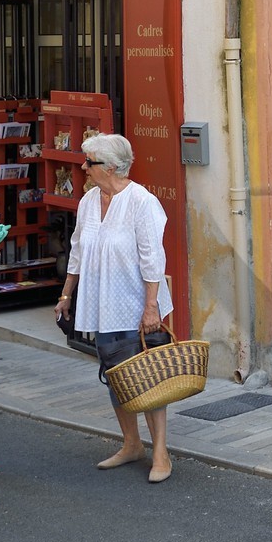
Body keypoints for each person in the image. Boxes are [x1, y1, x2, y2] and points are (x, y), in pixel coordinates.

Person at [52, 133, 176, 483]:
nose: (82, 167)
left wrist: (151, 307)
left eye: (87, 162)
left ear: (109, 167)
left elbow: (153, 258)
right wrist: (66, 294)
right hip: (103, 304)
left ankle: (162, 453)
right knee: (115, 376)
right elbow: (77, 250)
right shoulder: (90, 200)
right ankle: (132, 444)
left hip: (137, 306)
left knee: (148, 378)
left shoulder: (141, 202)